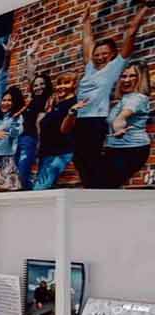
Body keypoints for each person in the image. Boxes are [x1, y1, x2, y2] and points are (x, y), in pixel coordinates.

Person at [74, 1, 149, 185]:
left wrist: (145, 7)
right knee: (80, 162)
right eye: (97, 54)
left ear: (114, 54)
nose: (100, 57)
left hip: (96, 120)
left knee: (93, 165)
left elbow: (131, 32)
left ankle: (98, 191)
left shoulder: (116, 67)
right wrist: (86, 21)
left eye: (105, 54)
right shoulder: (90, 68)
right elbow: (87, 41)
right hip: (80, 119)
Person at [101, 62, 153, 188]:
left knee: (105, 186)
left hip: (131, 149)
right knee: (102, 187)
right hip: (115, 148)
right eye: (123, 76)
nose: (126, 80)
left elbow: (121, 117)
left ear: (140, 78)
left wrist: (118, 127)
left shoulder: (137, 98)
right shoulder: (125, 98)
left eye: (132, 76)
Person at [37, 73, 83, 190]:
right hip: (46, 154)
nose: (61, 86)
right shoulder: (57, 105)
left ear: (74, 85)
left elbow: (65, 130)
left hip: (60, 154)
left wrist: (71, 113)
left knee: (39, 189)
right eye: (59, 84)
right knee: (45, 190)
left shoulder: (73, 104)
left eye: (66, 83)